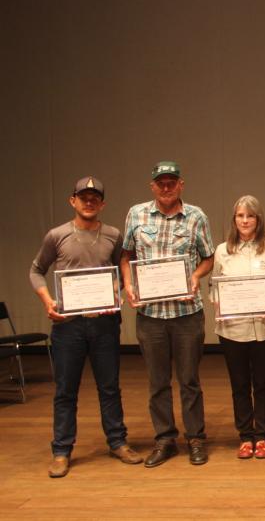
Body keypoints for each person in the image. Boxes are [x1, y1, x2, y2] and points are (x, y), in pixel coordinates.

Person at [29, 176, 143, 478]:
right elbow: (36, 271)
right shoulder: (57, 235)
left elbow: (123, 265)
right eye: (83, 197)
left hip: (104, 323)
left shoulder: (113, 235)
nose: (89, 201)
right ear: (73, 201)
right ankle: (62, 450)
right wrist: (47, 301)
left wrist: (121, 289)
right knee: (66, 390)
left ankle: (118, 442)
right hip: (68, 326)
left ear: (102, 203)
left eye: (94, 197)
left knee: (109, 387)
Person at [120, 161, 215, 467]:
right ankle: (165, 439)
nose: (166, 187)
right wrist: (128, 284)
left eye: (171, 182)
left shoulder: (196, 216)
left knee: (189, 380)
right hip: (150, 315)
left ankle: (196, 438)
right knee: (157, 381)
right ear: (152, 186)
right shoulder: (136, 214)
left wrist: (195, 276)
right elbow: (127, 256)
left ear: (180, 185)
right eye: (160, 182)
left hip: (188, 312)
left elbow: (209, 257)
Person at [211, 195, 265, 460]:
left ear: (258, 219)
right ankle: (245, 436)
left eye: (250, 216)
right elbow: (213, 287)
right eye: (240, 216)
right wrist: (220, 302)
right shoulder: (222, 251)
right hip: (232, 329)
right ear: (234, 219)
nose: (245, 220)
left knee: (263, 383)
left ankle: (262, 435)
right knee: (239, 384)